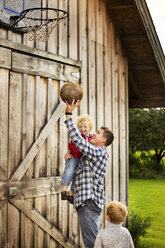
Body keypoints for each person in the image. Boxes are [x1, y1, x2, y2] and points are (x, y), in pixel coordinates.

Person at [64, 100, 114, 248]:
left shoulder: (99, 152)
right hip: (86, 203)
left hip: (89, 203)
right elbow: (78, 170)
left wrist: (68, 114)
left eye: (97, 133)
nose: (93, 134)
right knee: (91, 242)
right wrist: (70, 157)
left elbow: (79, 140)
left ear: (103, 140)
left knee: (92, 244)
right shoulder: (91, 154)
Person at [61, 114, 94, 204]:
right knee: (69, 172)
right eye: (80, 127)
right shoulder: (77, 137)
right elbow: (72, 147)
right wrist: (69, 153)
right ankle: (64, 191)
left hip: (83, 162)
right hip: (74, 158)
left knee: (77, 178)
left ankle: (71, 194)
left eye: (85, 127)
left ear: (90, 127)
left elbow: (96, 149)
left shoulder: (92, 138)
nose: (82, 129)